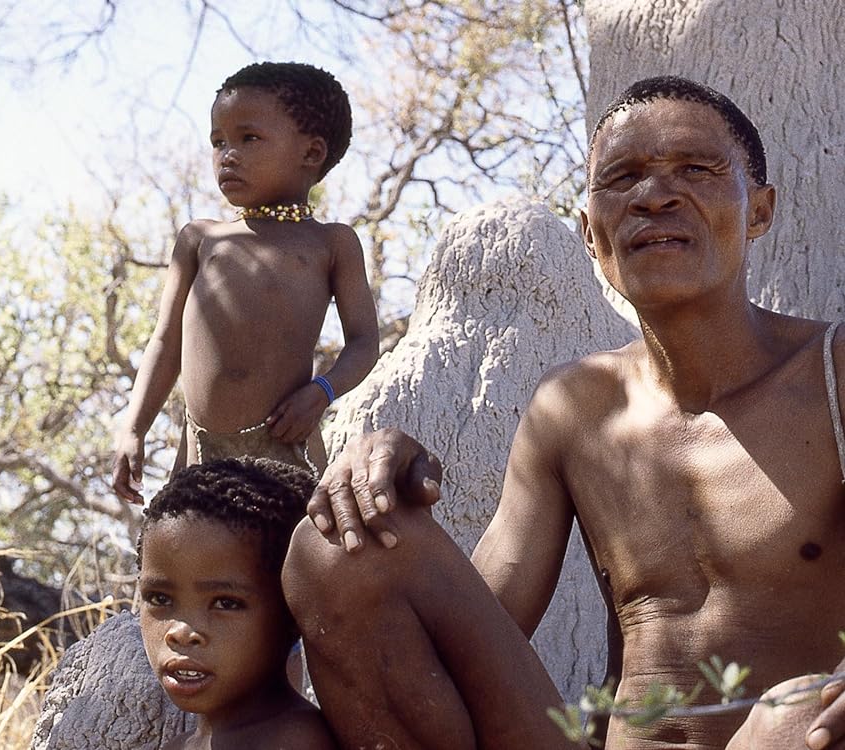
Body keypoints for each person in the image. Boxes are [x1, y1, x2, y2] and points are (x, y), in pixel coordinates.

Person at [281, 76, 845, 750]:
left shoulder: (832, 375)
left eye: (695, 168)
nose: (654, 195)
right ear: (589, 233)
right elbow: (480, 629)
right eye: (623, 176)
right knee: (337, 545)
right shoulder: (574, 408)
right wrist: (375, 470)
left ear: (759, 209)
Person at [112, 61, 379, 502]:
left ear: (311, 153)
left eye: (248, 138)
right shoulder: (200, 238)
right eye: (218, 142)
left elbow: (364, 342)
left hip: (284, 444)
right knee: (183, 555)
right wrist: (132, 428)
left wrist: (321, 392)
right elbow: (165, 342)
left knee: (288, 564)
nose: (227, 154)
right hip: (199, 449)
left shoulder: (330, 243)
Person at [137, 457, 338, 750]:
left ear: (292, 612)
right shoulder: (178, 746)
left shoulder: (294, 739)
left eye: (225, 603)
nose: (180, 632)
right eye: (160, 598)